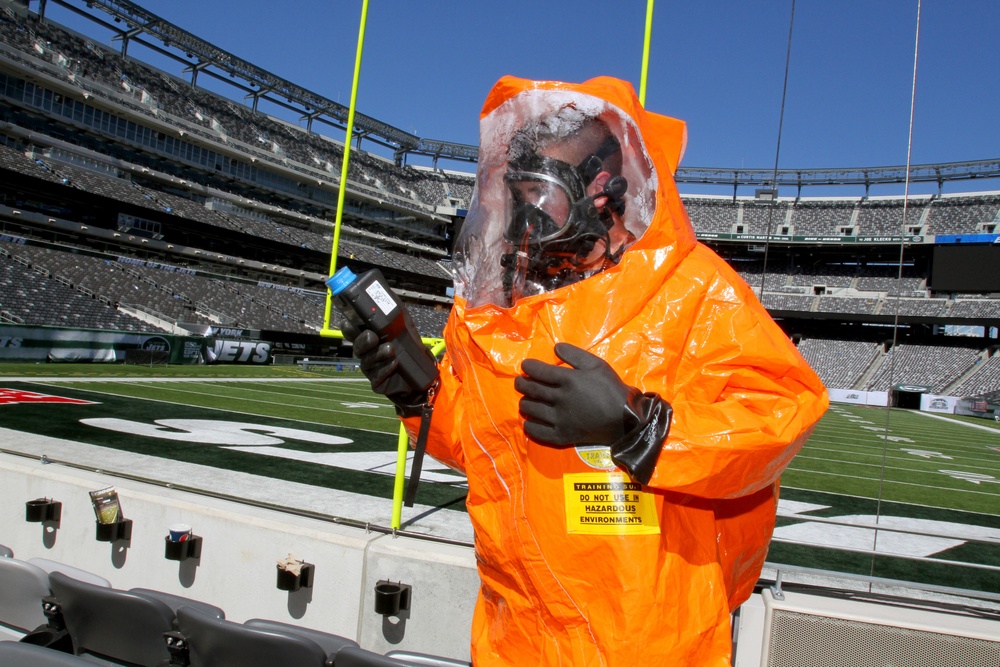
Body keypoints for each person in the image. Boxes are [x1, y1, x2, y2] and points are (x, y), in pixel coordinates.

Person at [346, 76, 829, 666]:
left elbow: (781, 413)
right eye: (514, 194)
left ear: (602, 187)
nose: (522, 216)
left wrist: (641, 428)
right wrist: (420, 396)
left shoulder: (689, 288)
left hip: (645, 643)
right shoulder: (499, 308)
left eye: (538, 195)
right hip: (513, 635)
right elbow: (485, 447)